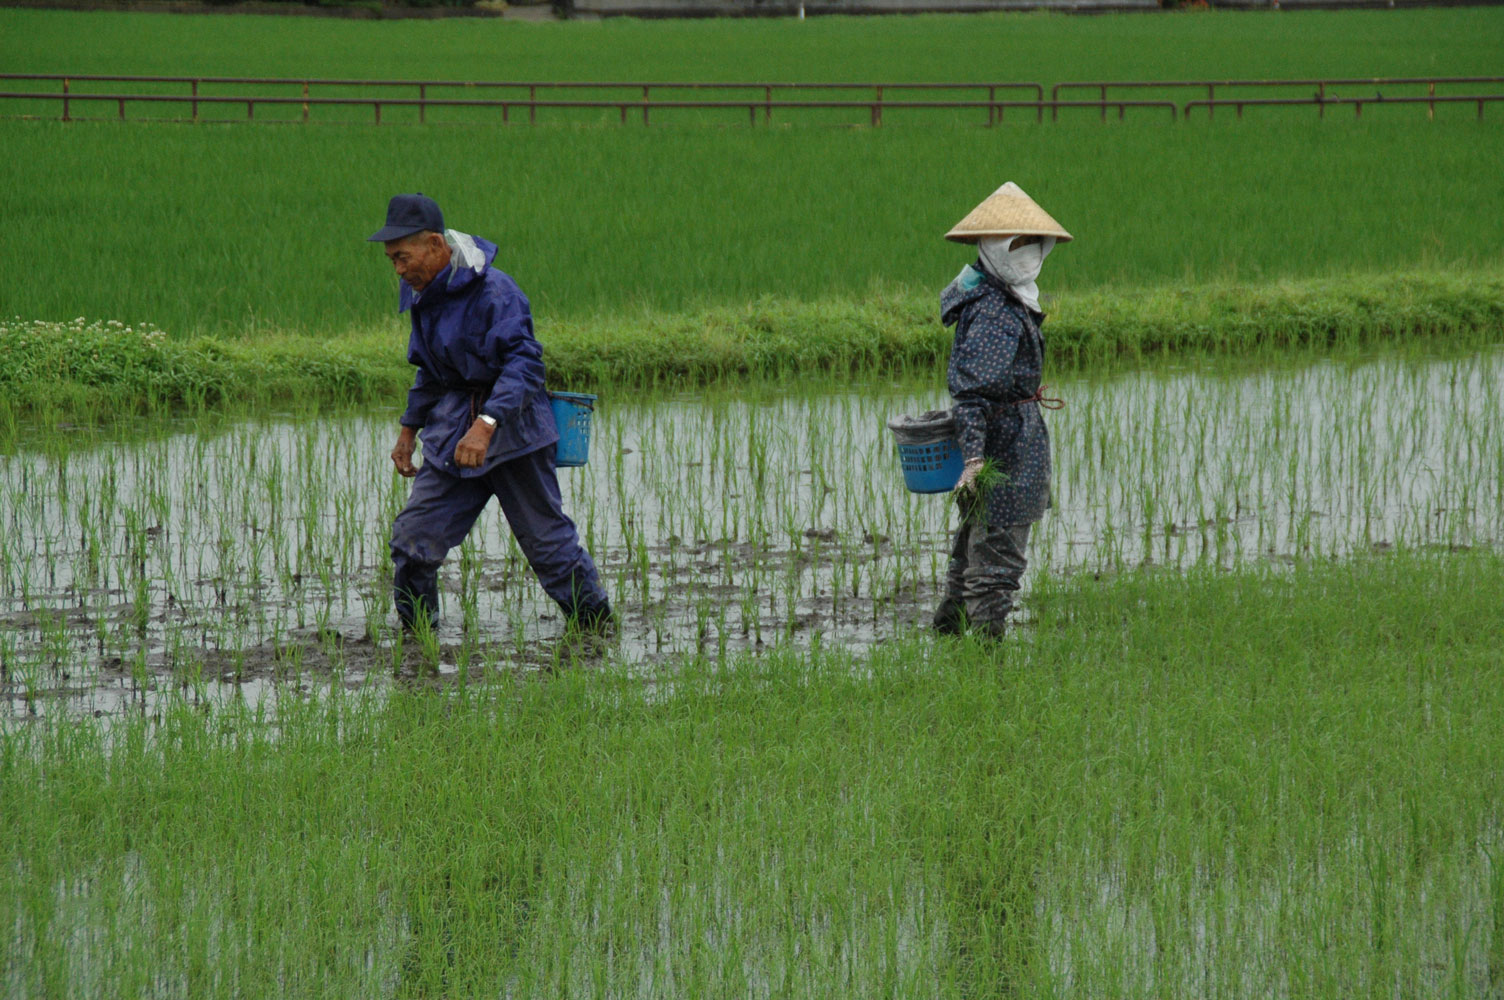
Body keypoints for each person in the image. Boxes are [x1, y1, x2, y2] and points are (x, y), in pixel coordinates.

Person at [368, 193, 613, 634]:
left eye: (403, 257)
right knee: (412, 542)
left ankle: (598, 630)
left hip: (514, 430)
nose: (399, 270)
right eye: (392, 261)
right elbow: (429, 368)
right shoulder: (423, 292)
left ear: (436, 246)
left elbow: (526, 364)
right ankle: (419, 639)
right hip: (453, 433)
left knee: (550, 549)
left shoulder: (495, 292)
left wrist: (486, 425)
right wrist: (409, 429)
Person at [931, 182, 1071, 639]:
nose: (1028, 251)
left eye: (1034, 241)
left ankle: (949, 643)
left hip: (1011, 441)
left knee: (973, 549)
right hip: (1004, 452)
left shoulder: (1006, 295)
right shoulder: (995, 310)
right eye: (1017, 242)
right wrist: (974, 461)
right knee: (996, 562)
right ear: (992, 246)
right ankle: (986, 668)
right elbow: (973, 396)